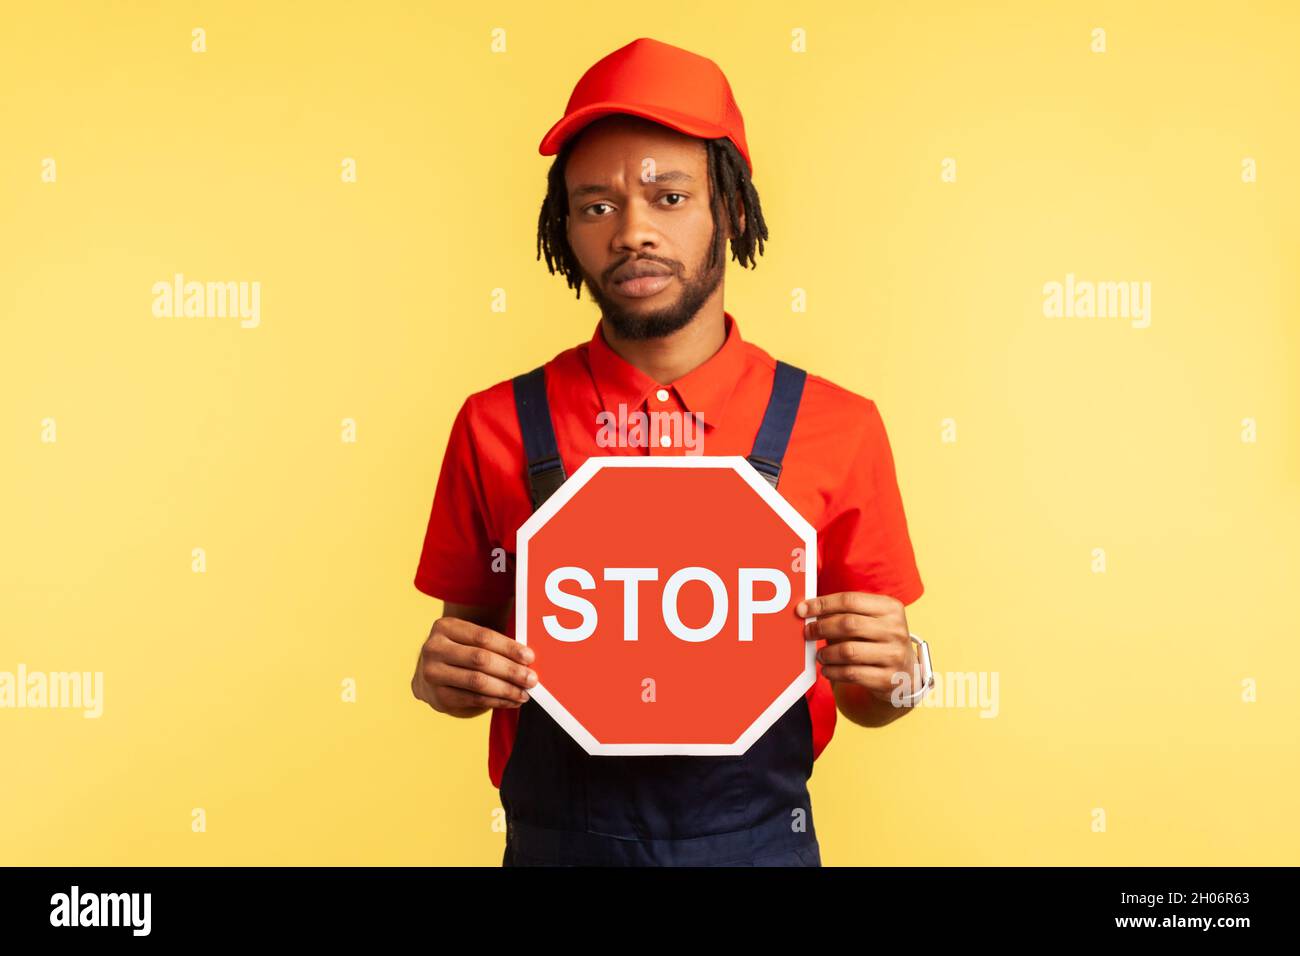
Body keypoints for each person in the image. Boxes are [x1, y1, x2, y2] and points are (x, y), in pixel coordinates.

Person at [410, 37, 930, 866]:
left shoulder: (837, 426)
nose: (633, 232)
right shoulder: (496, 425)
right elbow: (458, 662)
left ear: (730, 208)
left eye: (669, 195)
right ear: (565, 228)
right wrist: (443, 677)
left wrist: (907, 672)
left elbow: (878, 697)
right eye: (596, 205)